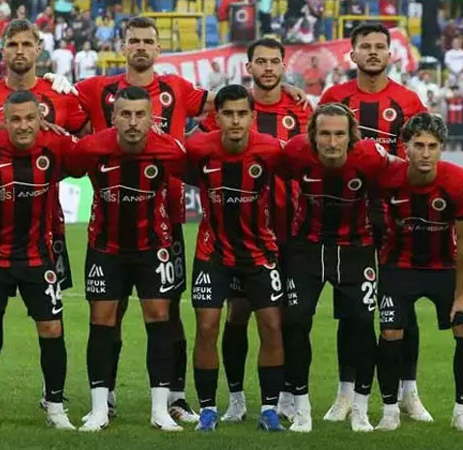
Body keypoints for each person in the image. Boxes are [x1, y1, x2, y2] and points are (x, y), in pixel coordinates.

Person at [76, 16, 307, 424]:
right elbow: (50, 107)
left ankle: (176, 398)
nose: (141, 46)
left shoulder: (178, 91)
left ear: (158, 48)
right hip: (109, 233)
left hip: (166, 225)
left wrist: (274, 89)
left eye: (148, 40)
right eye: (134, 40)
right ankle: (104, 399)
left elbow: (224, 101)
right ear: (122, 46)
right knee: (109, 316)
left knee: (168, 314)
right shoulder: (97, 89)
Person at [0, 18, 88, 424]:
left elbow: (85, 141)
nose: (19, 51)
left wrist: (70, 90)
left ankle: (54, 402)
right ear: (2, 50)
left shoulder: (60, 94)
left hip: (47, 233)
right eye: (12, 44)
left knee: (51, 323)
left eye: (26, 44)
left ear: (38, 49)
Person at [195, 38, 311, 423]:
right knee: (234, 316)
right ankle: (234, 399)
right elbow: (189, 155)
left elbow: (318, 152)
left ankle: (284, 399)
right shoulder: (222, 119)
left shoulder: (299, 112)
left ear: (283, 65)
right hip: (230, 241)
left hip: (285, 235)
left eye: (274, 61)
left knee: (286, 319)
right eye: (260, 61)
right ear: (249, 67)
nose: (268, 67)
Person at [318, 23, 430, 423]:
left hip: (398, 217)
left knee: (402, 305)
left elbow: (421, 158)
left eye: (380, 46)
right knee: (352, 310)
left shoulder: (408, 100)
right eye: (365, 46)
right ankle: (345, 393)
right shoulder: (334, 97)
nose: (373, 52)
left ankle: (408, 392)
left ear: (389, 53)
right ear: (352, 54)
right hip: (347, 217)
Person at [281, 103, 405, 433]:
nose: (333, 142)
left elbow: (402, 170)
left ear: (351, 136)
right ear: (312, 135)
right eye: (325, 134)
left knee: (363, 324)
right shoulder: (295, 152)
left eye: (340, 134)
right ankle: (301, 408)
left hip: (355, 250)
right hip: (307, 250)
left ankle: (360, 409)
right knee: (294, 322)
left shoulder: (370, 156)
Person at [71, 86, 187, 432]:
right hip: (105, 248)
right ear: (113, 118)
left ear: (152, 118)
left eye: (140, 115)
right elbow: (66, 163)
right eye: (126, 114)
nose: (133, 122)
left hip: (154, 248)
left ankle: (160, 410)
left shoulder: (170, 149)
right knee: (102, 321)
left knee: (160, 319)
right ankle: (99, 409)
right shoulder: (91, 148)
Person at [186, 85, 287, 432]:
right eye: (228, 113)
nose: (235, 120)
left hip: (259, 254)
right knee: (206, 327)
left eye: (242, 113)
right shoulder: (198, 148)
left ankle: (269, 409)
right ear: (216, 117)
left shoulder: (272, 149)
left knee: (271, 326)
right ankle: (208, 410)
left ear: (253, 117)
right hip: (212, 253)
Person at [374, 112, 463, 433]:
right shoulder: (387, 179)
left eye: (432, 146)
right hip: (398, 267)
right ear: (405, 147)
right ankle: (390, 411)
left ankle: (462, 412)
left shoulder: (459, 180)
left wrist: (461, 295)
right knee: (391, 333)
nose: (425, 153)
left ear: (441, 148)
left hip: (444, 269)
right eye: (418, 145)